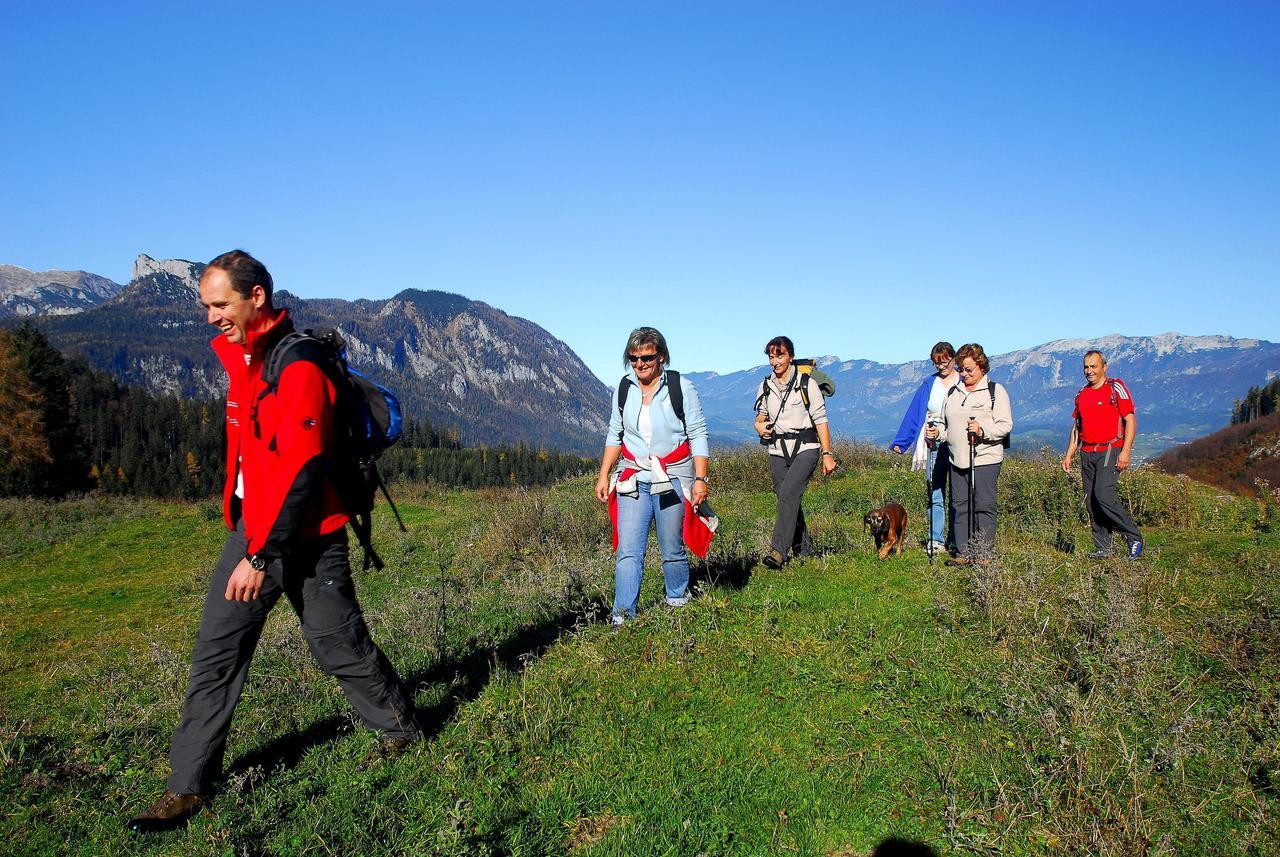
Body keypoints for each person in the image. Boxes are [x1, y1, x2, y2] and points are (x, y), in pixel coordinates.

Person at [127, 251, 418, 833]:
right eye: (205, 305)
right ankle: (186, 788)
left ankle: (403, 730)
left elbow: (305, 471)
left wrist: (263, 555)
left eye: (220, 304)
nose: (210, 317)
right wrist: (246, 534)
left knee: (337, 646)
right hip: (252, 533)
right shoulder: (244, 358)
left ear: (256, 297)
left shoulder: (299, 365)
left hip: (308, 536)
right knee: (216, 655)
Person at [595, 327, 713, 625]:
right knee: (628, 551)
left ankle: (677, 600)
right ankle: (623, 616)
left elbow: (697, 433)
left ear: (661, 356)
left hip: (673, 475)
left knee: (671, 547)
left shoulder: (681, 388)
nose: (639, 364)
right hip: (633, 477)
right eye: (633, 358)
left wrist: (701, 479)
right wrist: (603, 474)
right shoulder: (624, 388)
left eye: (646, 357)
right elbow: (615, 432)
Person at [925, 343, 1013, 565]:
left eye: (968, 370)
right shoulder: (954, 392)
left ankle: (983, 553)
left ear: (981, 367)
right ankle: (963, 552)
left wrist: (983, 431)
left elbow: (1005, 425)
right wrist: (937, 433)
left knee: (983, 504)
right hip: (957, 457)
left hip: (984, 457)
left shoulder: (995, 391)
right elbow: (946, 426)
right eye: (961, 370)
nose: (964, 374)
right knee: (960, 504)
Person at [753, 336, 837, 569]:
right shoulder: (765, 386)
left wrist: (827, 454)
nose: (774, 361)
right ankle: (805, 549)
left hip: (807, 447)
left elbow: (820, 420)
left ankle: (778, 551)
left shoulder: (806, 384)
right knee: (786, 498)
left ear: (790, 356)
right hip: (777, 449)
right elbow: (760, 416)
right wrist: (758, 425)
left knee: (789, 494)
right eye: (771, 356)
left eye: (779, 355)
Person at [1061, 350, 1144, 559]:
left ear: (1104, 367)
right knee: (1091, 501)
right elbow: (1077, 426)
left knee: (1104, 495)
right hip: (1087, 452)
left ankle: (1133, 537)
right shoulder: (1082, 394)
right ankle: (1103, 547)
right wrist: (1070, 453)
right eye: (1086, 367)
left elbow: (1130, 419)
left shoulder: (1115, 388)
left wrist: (1126, 450)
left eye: (1093, 367)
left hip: (1110, 449)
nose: (1089, 371)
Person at [890, 342, 960, 557]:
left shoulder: (963, 382)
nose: (942, 366)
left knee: (957, 494)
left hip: (958, 442)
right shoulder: (929, 384)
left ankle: (956, 539)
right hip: (932, 443)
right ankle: (936, 538)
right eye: (937, 362)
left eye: (945, 361)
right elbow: (915, 413)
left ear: (953, 359)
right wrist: (902, 442)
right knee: (935, 491)